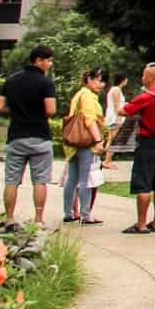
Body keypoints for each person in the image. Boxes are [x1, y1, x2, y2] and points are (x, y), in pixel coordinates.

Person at [0, 46, 57, 225]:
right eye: (48, 60)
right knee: (40, 180)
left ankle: (9, 218)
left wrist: (16, 111)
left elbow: (0, 106)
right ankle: (38, 220)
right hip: (39, 136)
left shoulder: (11, 80)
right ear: (38, 60)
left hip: (16, 136)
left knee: (12, 180)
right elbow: (51, 110)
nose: (50, 64)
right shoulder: (46, 83)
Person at [120, 63, 155, 234]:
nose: (142, 78)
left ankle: (141, 224)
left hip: (147, 142)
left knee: (143, 182)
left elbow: (124, 112)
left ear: (152, 77)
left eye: (144, 75)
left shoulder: (147, 97)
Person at [61, 67, 107, 225]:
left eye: (103, 81)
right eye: (98, 80)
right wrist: (98, 140)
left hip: (73, 143)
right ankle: (86, 214)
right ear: (89, 79)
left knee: (72, 179)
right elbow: (89, 119)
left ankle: (68, 213)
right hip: (85, 143)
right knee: (85, 179)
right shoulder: (88, 96)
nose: (101, 84)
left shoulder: (79, 94)